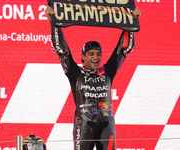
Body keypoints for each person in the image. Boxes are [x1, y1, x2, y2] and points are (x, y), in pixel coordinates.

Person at [45, 6, 141, 150]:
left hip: (107, 124)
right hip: (84, 124)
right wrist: (53, 23)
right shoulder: (75, 73)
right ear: (83, 57)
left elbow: (124, 48)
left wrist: (132, 22)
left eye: (98, 54)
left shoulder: (108, 71)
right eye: (91, 54)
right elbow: (62, 50)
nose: (95, 57)